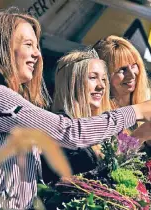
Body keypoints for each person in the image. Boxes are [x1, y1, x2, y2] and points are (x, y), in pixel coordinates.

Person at [0, 9, 151, 209]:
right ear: (3, 47)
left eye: (37, 46)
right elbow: (69, 132)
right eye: (28, 44)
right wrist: (136, 112)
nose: (37, 54)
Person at [93, 35, 151, 145]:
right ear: (104, 76)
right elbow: (102, 160)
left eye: (134, 65)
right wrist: (138, 137)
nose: (131, 75)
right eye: (122, 69)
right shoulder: (98, 117)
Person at [42, 49, 110, 182]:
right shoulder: (60, 130)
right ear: (71, 82)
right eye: (92, 77)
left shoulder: (101, 132)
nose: (101, 86)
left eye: (103, 79)